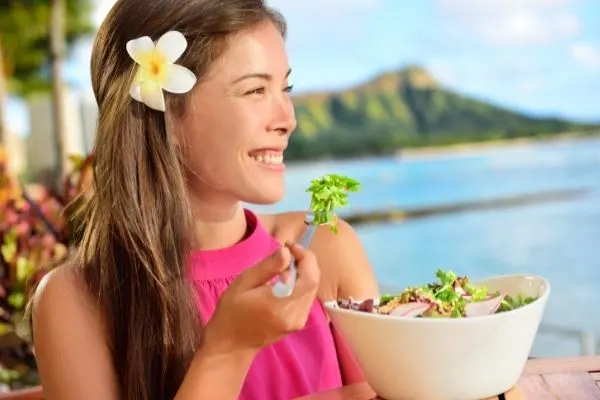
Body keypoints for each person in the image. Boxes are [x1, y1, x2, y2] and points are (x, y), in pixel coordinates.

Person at [30, 0, 379, 399]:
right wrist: (228, 350)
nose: (288, 118)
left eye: (285, 88)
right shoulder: (76, 301)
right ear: (168, 117)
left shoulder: (325, 248)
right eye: (255, 90)